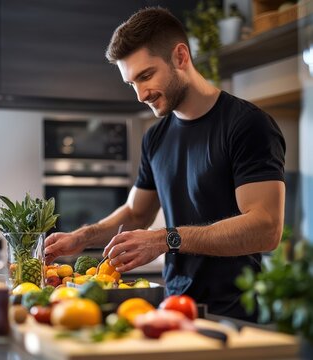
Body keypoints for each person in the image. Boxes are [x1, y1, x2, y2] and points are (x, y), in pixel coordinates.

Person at [43, 7, 285, 322]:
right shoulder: (155, 137)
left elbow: (266, 228)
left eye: (146, 76)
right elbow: (136, 213)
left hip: (236, 315)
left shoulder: (247, 124)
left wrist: (163, 239)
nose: (141, 94)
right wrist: (82, 238)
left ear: (181, 57)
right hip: (173, 309)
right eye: (132, 83)